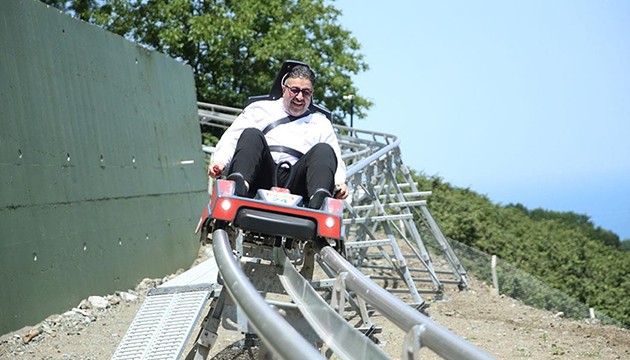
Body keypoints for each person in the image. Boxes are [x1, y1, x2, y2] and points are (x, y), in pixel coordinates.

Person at [208, 64, 349, 209]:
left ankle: (319, 198)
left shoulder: (321, 123)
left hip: (299, 181)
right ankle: (240, 185)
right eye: (295, 90)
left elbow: (335, 157)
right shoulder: (259, 109)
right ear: (284, 89)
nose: (300, 97)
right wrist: (220, 162)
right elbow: (232, 137)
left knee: (324, 149)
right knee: (252, 134)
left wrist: (339, 183)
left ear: (312, 94)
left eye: (306, 92)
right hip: (261, 174)